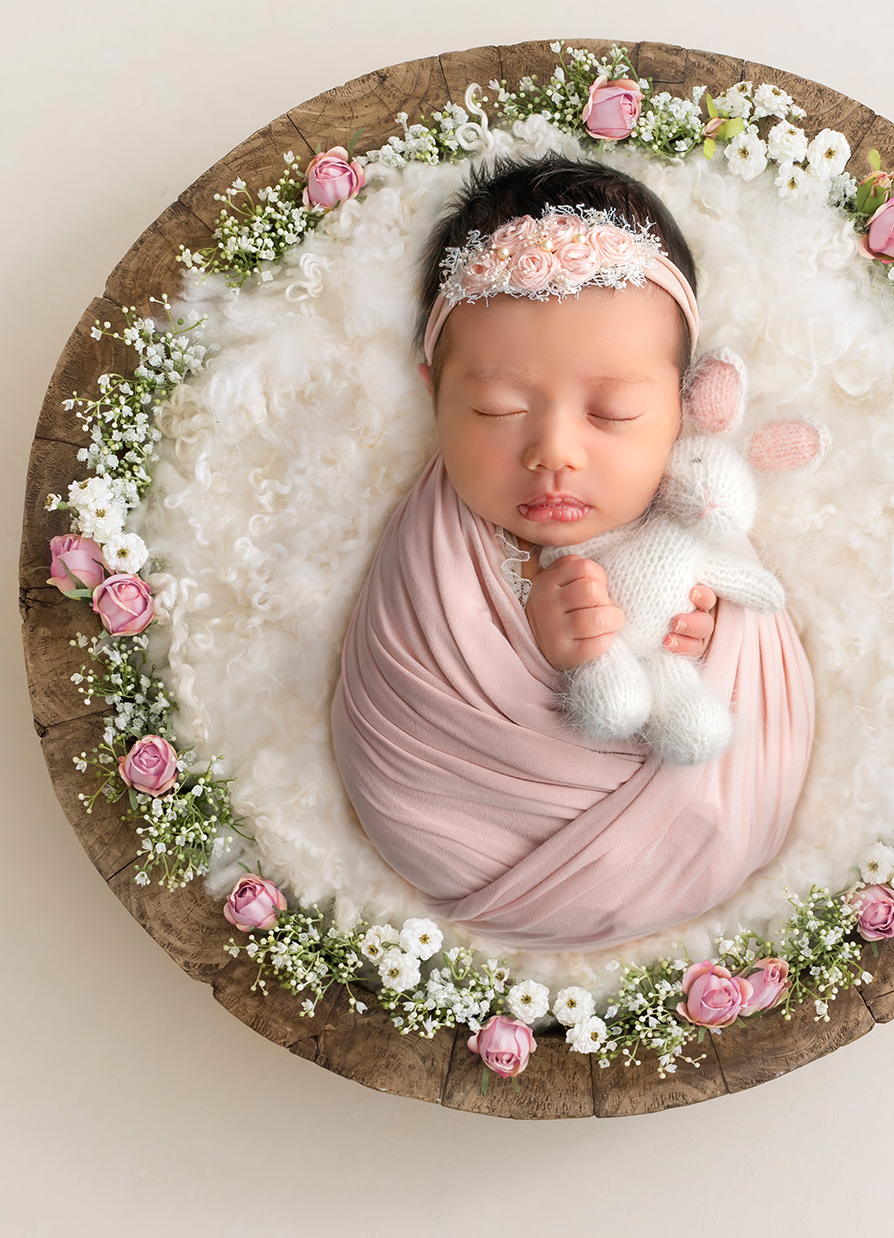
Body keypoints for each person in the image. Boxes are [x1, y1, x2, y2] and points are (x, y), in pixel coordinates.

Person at [329, 154, 815, 952]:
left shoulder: (693, 516)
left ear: (683, 406)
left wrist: (706, 633)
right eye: (496, 407)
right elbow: (412, 679)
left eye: (615, 412)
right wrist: (547, 641)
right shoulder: (440, 552)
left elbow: (756, 669)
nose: (554, 451)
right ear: (432, 392)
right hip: (464, 818)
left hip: (688, 827)